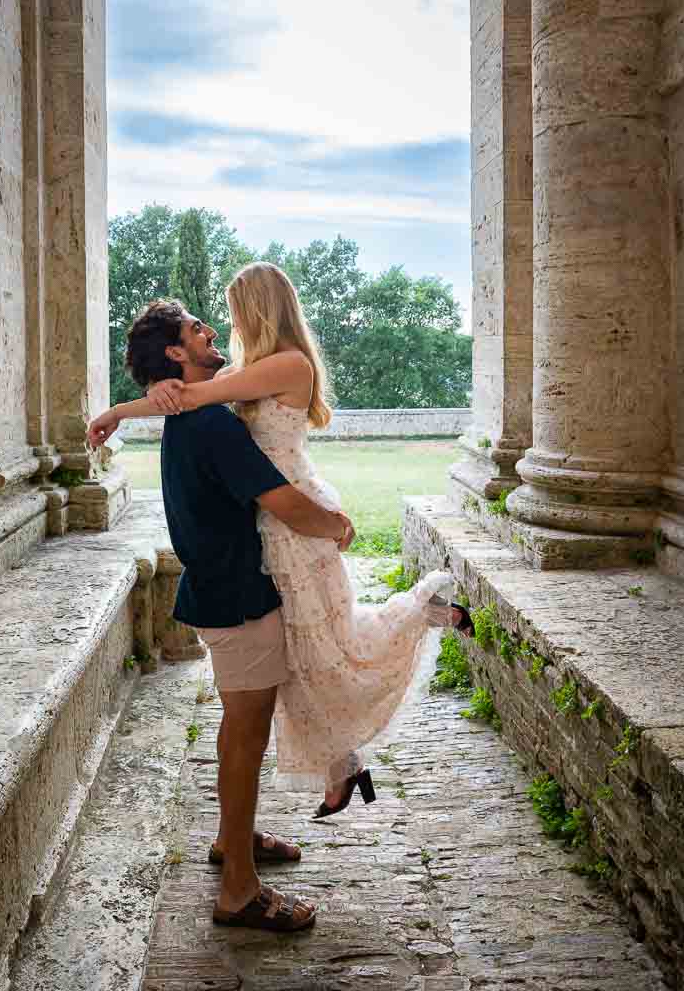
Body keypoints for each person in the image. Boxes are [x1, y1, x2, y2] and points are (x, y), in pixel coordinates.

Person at [91, 264, 468, 819]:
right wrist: (137, 402)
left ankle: (425, 611)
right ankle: (343, 764)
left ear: (258, 308)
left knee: (333, 643)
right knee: (306, 651)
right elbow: (192, 397)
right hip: (274, 524)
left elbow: (195, 398)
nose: (223, 326)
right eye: (203, 326)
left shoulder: (287, 365)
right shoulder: (256, 369)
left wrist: (129, 406)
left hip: (296, 514)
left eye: (234, 309)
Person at [89, 298, 355, 933]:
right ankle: (238, 889)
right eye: (196, 330)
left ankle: (230, 840)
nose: (211, 332)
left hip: (221, 587)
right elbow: (282, 501)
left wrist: (125, 408)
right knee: (246, 735)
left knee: (241, 727)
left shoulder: (195, 411)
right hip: (237, 592)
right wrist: (337, 526)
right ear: (177, 355)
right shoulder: (211, 424)